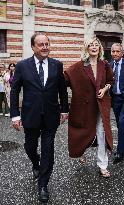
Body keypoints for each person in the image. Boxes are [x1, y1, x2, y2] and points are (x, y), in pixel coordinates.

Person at [10, 33, 69, 203]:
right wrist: (15, 115)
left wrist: (65, 109)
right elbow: (14, 91)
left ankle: (43, 184)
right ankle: (36, 164)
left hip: (51, 115)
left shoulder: (57, 65)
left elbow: (62, 89)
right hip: (30, 115)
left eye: (47, 44)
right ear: (33, 47)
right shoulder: (22, 66)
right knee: (29, 146)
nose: (45, 47)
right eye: (41, 44)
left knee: (48, 149)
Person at [64, 36, 114, 177]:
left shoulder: (105, 65)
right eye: (91, 45)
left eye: (96, 45)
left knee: (101, 133)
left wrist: (104, 89)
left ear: (99, 48)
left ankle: (103, 165)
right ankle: (80, 152)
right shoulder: (79, 66)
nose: (94, 47)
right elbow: (65, 78)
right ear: (86, 48)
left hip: (101, 106)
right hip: (84, 107)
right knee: (83, 131)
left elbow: (110, 80)